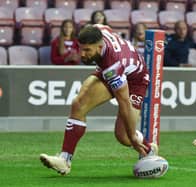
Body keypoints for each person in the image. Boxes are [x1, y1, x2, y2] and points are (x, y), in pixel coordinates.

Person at [39, 24, 158, 175]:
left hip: (136, 79)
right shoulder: (96, 30)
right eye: (80, 48)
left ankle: (148, 148)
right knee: (79, 103)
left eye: (87, 50)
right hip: (114, 68)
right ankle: (64, 160)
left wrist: (134, 138)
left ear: (100, 46)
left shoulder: (112, 65)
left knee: (124, 136)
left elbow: (123, 102)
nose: (82, 54)